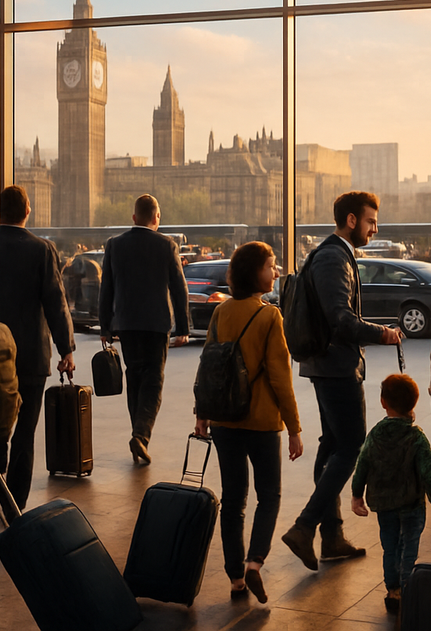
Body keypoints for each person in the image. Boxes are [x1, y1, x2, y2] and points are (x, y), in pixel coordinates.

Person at [281, 191, 404, 570]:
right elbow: (341, 319)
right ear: (351, 220)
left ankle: (332, 537)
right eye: (370, 221)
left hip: (325, 365)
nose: (375, 228)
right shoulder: (335, 257)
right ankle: (303, 528)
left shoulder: (329, 254)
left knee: (333, 444)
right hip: (335, 367)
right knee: (351, 446)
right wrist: (382, 334)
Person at [194, 242, 304, 604]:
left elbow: (208, 368)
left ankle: (235, 579)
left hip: (225, 419)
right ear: (254, 272)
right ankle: (255, 561)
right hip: (261, 422)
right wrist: (294, 428)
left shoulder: (221, 311)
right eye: (271, 266)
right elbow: (280, 378)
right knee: (268, 495)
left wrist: (202, 415)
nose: (275, 272)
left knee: (233, 498)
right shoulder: (269, 316)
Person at [0, 185, 75, 514]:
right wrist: (66, 348)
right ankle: (16, 504)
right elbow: (55, 303)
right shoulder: (43, 250)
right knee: (25, 432)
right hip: (31, 357)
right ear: (28, 210)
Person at [351, 374, 431, 614]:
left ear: (383, 402)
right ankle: (407, 588)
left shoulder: (375, 434)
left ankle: (393, 591)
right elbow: (429, 472)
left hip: (384, 504)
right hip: (411, 504)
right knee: (409, 545)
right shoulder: (416, 437)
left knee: (390, 546)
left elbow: (363, 463)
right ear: (414, 403)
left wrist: (356, 495)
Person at [99, 193, 190, 464]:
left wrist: (105, 326)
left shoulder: (115, 245)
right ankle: (140, 435)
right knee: (154, 381)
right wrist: (183, 326)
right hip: (156, 325)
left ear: (134, 217)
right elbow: (179, 288)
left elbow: (107, 289)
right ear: (156, 218)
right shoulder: (167, 245)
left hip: (126, 325)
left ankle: (137, 433)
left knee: (135, 378)